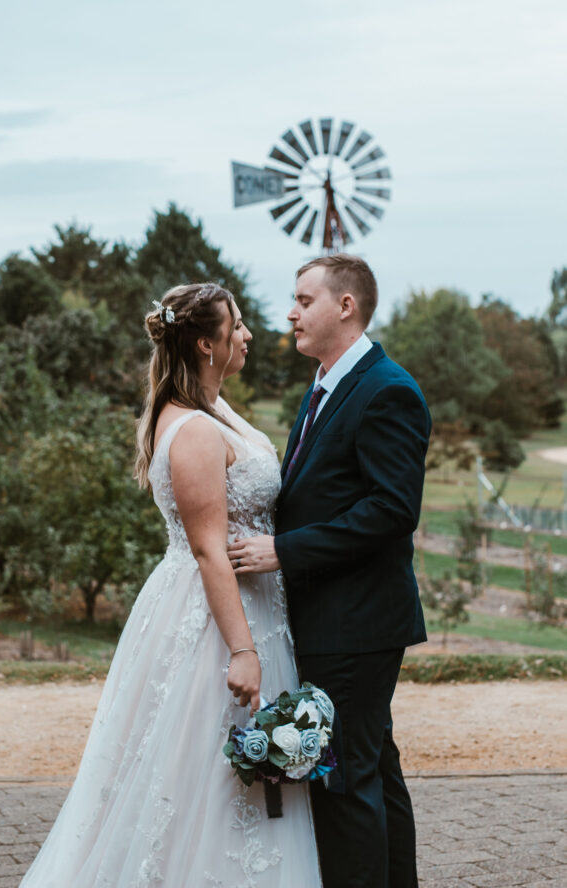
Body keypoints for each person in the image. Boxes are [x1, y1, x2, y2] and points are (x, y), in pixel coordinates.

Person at [19, 282, 322, 888]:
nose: (248, 335)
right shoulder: (196, 431)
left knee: (227, 772)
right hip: (214, 619)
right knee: (199, 770)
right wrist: (242, 650)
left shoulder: (213, 410)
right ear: (207, 345)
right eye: (236, 326)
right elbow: (210, 549)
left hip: (252, 604)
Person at [228, 254, 431, 888]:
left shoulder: (386, 389)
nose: (290, 312)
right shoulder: (324, 384)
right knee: (373, 771)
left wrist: (283, 550)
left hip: (357, 622)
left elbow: (392, 511)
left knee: (342, 783)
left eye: (303, 299)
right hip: (334, 619)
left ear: (345, 306)